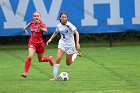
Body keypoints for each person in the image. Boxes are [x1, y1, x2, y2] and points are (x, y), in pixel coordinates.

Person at [46, 12, 81, 80]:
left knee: (68, 63)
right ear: (60, 18)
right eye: (63, 17)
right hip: (62, 43)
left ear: (67, 18)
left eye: (65, 17)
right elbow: (56, 32)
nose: (64, 18)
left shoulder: (69, 25)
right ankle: (54, 76)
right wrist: (50, 39)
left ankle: (75, 54)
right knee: (58, 59)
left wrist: (77, 43)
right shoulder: (59, 25)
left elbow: (77, 33)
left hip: (70, 45)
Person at [21, 11, 54, 78]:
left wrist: (40, 28)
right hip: (32, 43)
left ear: (40, 17)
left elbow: (46, 30)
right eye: (35, 16)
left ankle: (49, 59)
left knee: (40, 60)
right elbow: (26, 26)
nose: (36, 17)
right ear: (33, 17)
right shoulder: (31, 23)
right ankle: (25, 72)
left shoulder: (42, 24)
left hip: (40, 44)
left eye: (37, 16)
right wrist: (24, 29)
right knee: (30, 56)